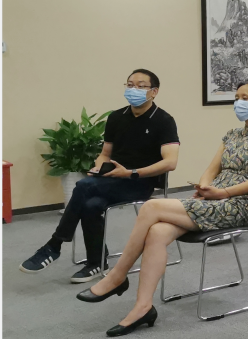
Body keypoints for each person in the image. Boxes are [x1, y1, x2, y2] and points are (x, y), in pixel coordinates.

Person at [77, 82, 248, 336]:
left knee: (151, 207)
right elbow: (211, 170)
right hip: (212, 200)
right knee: (157, 232)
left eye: (245, 98)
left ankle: (117, 275)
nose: (238, 102)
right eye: (237, 97)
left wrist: (223, 193)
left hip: (234, 205)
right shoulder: (231, 134)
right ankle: (143, 307)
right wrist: (205, 187)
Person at [20, 69, 180, 282]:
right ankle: (97, 263)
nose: (134, 89)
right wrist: (98, 168)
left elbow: (170, 162)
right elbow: (105, 153)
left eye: (141, 86)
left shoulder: (164, 120)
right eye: (130, 85)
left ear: (154, 92)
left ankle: (54, 244)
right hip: (111, 178)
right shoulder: (116, 117)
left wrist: (131, 172)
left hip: (139, 182)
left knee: (84, 186)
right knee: (90, 204)